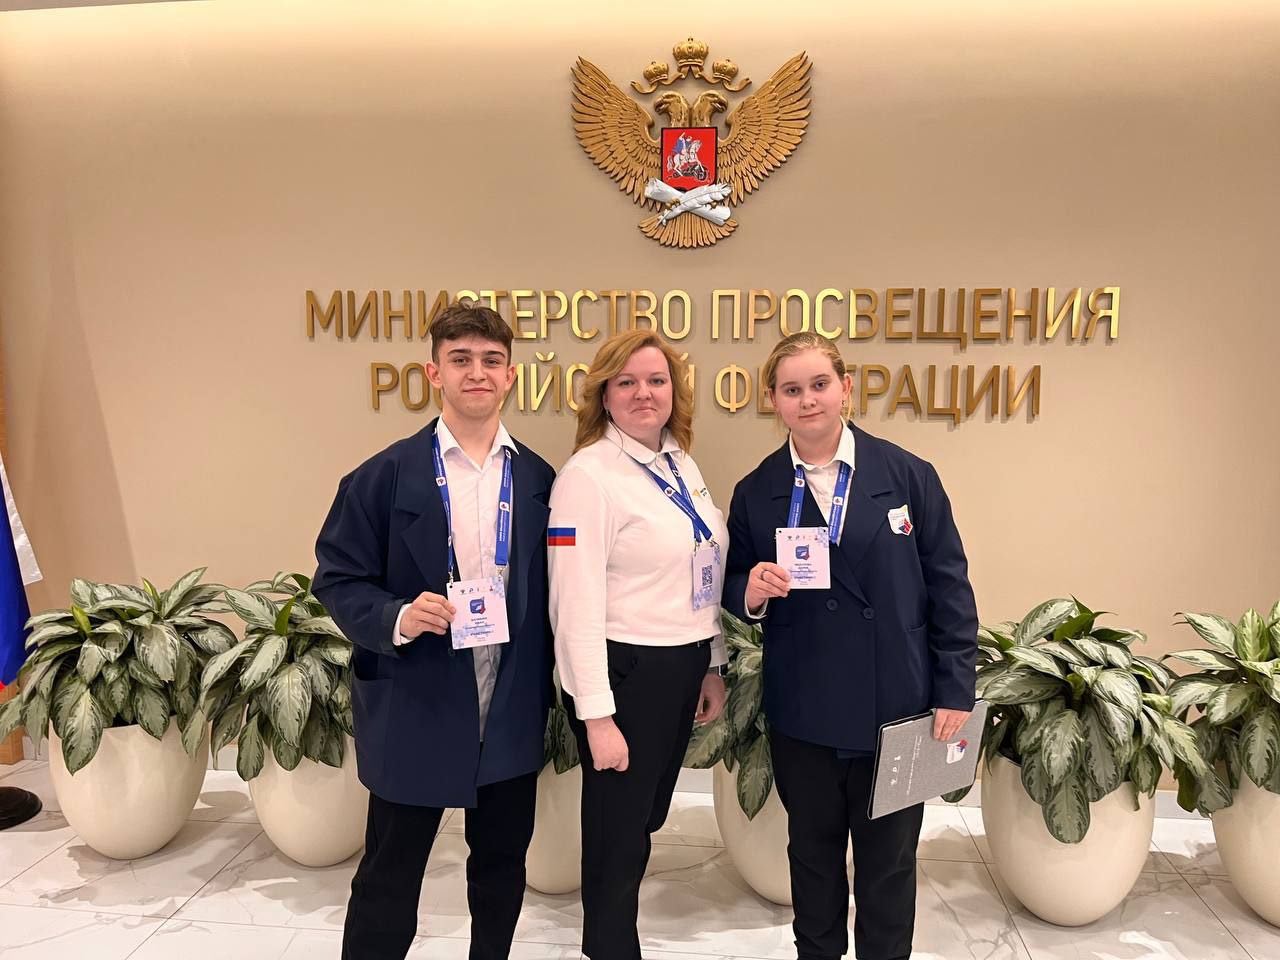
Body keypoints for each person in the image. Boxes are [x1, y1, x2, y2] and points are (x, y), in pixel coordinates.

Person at [722, 331, 978, 960]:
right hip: (804, 708)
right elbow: (730, 582)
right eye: (792, 389)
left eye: (819, 384)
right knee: (811, 857)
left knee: (889, 863)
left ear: (846, 388)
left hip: (897, 705)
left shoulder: (908, 475)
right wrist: (750, 590)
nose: (807, 400)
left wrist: (955, 689)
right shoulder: (757, 490)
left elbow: (950, 588)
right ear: (774, 400)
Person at [313, 303, 556, 960]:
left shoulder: (540, 481)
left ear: (511, 375)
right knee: (389, 875)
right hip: (415, 700)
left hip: (507, 704)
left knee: (501, 868)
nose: (478, 372)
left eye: (492, 360)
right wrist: (395, 616)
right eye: (461, 359)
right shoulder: (383, 476)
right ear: (434, 373)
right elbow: (338, 578)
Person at [548, 329, 729, 960]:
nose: (643, 393)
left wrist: (711, 662)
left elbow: (701, 570)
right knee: (617, 835)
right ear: (603, 396)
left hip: (680, 667)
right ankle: (610, 947)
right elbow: (573, 604)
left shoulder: (679, 462)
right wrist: (597, 716)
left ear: (674, 390)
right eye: (625, 382)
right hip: (624, 674)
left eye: (655, 380)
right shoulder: (587, 476)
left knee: (644, 819)